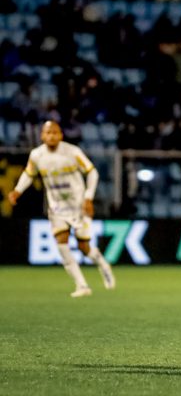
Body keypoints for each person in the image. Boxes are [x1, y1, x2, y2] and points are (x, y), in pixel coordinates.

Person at [7, 121, 115, 298]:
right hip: (57, 207)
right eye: (48, 133)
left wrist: (88, 197)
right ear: (42, 135)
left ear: (61, 135)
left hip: (78, 205)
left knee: (84, 248)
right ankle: (82, 285)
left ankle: (103, 264)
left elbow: (92, 172)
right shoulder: (36, 155)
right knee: (62, 244)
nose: (51, 136)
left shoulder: (72, 152)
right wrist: (18, 191)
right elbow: (29, 173)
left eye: (55, 132)